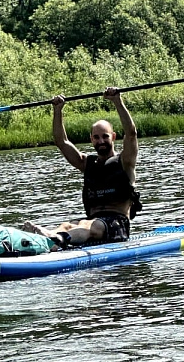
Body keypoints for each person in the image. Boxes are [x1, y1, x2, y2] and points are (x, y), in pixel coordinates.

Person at [24, 86, 141, 248]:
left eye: (105, 137)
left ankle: (55, 240)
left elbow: (131, 133)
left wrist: (117, 101)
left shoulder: (125, 161)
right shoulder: (86, 163)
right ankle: (48, 240)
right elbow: (61, 142)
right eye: (96, 137)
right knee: (67, 225)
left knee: (90, 226)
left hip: (117, 225)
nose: (101, 141)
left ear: (113, 137)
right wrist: (57, 110)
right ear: (91, 139)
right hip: (92, 222)